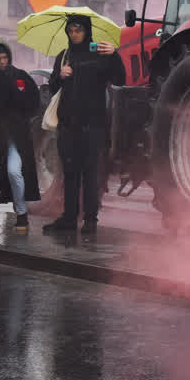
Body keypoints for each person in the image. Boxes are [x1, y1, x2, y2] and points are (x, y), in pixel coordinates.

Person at [43, 15, 124, 239]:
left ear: (86, 31)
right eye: (70, 31)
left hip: (93, 126)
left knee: (90, 174)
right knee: (69, 174)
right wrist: (60, 76)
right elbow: (52, 87)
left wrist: (114, 55)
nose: (74, 34)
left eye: (78, 30)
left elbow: (120, 79)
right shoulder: (64, 56)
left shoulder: (100, 54)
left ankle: (90, 220)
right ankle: (69, 218)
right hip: (68, 126)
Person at [0, 41, 41, 234]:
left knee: (14, 172)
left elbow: (34, 101)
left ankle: (21, 213)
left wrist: (21, 116)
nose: (2, 62)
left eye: (4, 58)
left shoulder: (20, 76)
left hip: (16, 137)